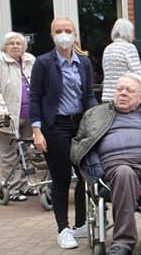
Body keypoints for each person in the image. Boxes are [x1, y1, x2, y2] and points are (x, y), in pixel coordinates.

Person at [70, 72, 141, 255]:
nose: (122, 93)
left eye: (129, 90)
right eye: (119, 89)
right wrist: (91, 165)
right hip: (114, 168)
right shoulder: (95, 114)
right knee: (124, 173)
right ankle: (123, 241)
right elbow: (79, 143)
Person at [29, 16, 98, 249]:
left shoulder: (84, 63)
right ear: (52, 35)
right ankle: (63, 229)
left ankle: (80, 225)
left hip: (79, 124)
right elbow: (34, 98)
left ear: (75, 34)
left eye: (68, 30)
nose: (63, 35)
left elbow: (88, 95)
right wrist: (37, 132)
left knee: (84, 175)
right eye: (58, 31)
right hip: (54, 126)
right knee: (60, 178)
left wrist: (97, 122)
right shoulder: (43, 63)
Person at [0, 31, 37, 202]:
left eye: (18, 43)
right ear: (5, 46)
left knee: (25, 150)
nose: (15, 46)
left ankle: (26, 185)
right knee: (8, 153)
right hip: (6, 115)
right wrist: (0, 109)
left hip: (27, 113)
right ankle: (12, 187)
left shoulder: (30, 60)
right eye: (11, 43)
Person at [101, 18, 141, 102]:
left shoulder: (108, 48)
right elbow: (139, 75)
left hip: (108, 96)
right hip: (125, 97)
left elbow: (105, 71)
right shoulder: (129, 48)